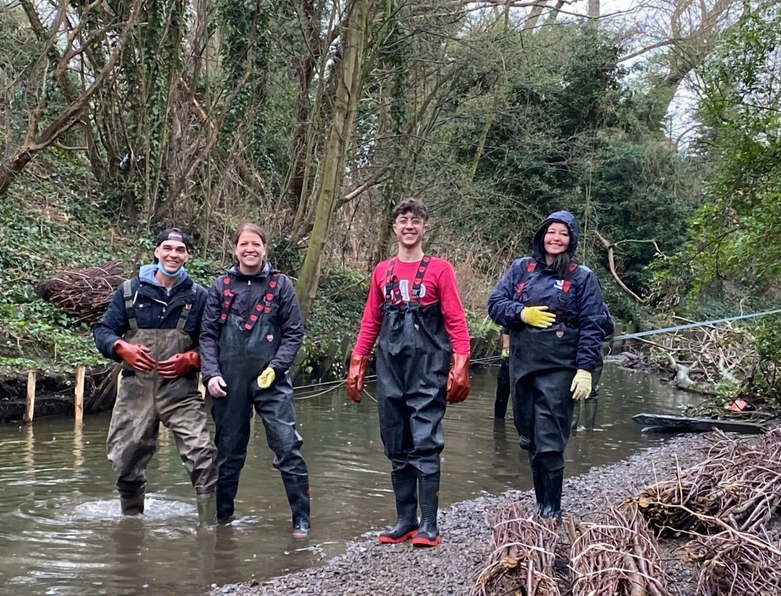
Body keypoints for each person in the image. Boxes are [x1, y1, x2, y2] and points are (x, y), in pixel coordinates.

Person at [345, 198, 471, 548]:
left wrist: (460, 363)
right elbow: (371, 320)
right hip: (389, 369)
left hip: (428, 366)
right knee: (395, 440)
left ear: (425, 226)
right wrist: (358, 361)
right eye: (403, 220)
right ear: (394, 228)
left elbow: (455, 319)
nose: (409, 226)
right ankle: (405, 520)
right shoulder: (381, 272)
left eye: (416, 220)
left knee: (426, 442)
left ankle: (429, 523)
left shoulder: (440, 270)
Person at [487, 211, 609, 518]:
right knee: (529, 437)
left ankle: (551, 510)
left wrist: (585, 369)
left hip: (560, 366)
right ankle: (540, 502)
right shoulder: (520, 269)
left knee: (550, 439)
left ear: (572, 240)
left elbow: (595, 324)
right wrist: (521, 313)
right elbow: (495, 303)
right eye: (551, 232)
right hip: (522, 363)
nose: (556, 238)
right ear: (542, 234)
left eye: (563, 234)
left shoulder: (582, 277)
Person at [93, 228, 218, 526]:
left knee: (202, 454)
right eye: (167, 248)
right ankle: (131, 526)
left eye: (180, 250)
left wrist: (192, 358)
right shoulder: (128, 292)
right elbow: (102, 331)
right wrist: (121, 347)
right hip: (135, 388)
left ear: (187, 256)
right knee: (124, 461)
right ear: (156, 252)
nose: (173, 254)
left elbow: (212, 341)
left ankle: (210, 532)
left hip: (180, 391)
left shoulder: (199, 297)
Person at [199, 223, 309, 537]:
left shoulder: (281, 285)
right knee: (228, 452)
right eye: (244, 244)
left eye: (256, 244)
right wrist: (211, 374)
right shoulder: (219, 286)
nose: (250, 249)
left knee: (288, 446)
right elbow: (207, 336)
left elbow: (293, 333)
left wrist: (277, 366)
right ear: (235, 249)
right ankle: (223, 521)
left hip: (271, 381)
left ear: (264, 248)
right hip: (227, 381)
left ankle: (301, 519)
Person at [571, 307, 614, 431]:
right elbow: (609, 328)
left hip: (572, 350)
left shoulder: (570, 302)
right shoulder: (599, 305)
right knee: (592, 391)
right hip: (594, 350)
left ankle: (571, 431)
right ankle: (589, 430)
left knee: (573, 392)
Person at [495, 331, 511, 419]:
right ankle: (498, 419)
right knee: (502, 390)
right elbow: (506, 324)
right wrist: (506, 345)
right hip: (509, 359)